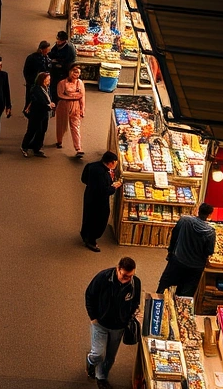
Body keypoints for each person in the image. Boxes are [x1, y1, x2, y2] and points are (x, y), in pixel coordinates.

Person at [84, 257, 142, 388]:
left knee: (110, 356)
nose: (127, 279)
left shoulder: (135, 283)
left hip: (119, 327)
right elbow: (89, 295)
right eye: (124, 275)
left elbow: (135, 302)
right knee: (98, 354)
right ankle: (90, 361)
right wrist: (93, 317)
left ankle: (101, 378)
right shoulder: (103, 277)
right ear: (118, 269)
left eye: (130, 276)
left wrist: (128, 317)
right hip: (100, 324)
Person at [157, 204, 216, 296]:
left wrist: (171, 252)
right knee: (186, 295)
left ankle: (157, 306)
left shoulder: (184, 220)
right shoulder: (210, 232)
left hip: (178, 260)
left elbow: (174, 235)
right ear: (209, 215)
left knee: (164, 287)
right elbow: (209, 251)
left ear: (198, 211)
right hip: (195, 267)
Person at [81, 152, 123, 252]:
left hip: (89, 195)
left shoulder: (91, 166)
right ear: (111, 163)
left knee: (88, 216)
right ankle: (91, 240)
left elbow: (83, 179)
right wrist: (114, 186)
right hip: (99, 201)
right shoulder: (103, 174)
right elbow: (105, 191)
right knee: (99, 220)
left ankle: (85, 234)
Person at [21, 72, 55, 157]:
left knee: (42, 131)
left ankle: (37, 148)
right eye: (48, 79)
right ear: (43, 80)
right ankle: (24, 147)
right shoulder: (36, 89)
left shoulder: (47, 88)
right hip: (36, 114)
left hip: (44, 114)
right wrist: (48, 105)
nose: (49, 80)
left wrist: (50, 104)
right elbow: (38, 102)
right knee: (31, 130)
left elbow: (48, 99)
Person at [56, 64, 86, 157]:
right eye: (73, 71)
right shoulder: (62, 83)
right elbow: (60, 95)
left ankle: (78, 148)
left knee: (75, 127)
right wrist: (74, 96)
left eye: (77, 72)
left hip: (76, 107)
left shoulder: (80, 83)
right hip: (63, 106)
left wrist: (82, 109)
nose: (75, 74)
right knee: (61, 125)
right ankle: (59, 141)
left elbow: (82, 96)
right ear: (69, 71)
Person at [48, 30, 76, 101]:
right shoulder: (57, 45)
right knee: (53, 88)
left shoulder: (69, 49)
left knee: (60, 87)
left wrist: (58, 62)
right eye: (58, 39)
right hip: (55, 71)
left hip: (63, 71)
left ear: (64, 40)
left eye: (60, 40)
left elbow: (68, 62)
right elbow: (52, 53)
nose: (58, 41)